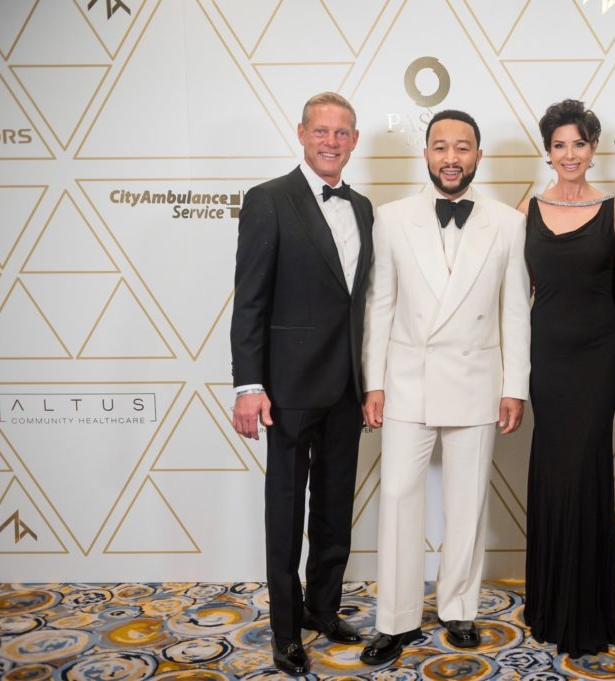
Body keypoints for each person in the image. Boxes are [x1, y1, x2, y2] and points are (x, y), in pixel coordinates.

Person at [359, 109, 531, 666]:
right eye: (440, 146)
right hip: (407, 380)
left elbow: (515, 314)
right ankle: (397, 619)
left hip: (478, 380)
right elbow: (379, 306)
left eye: (462, 147)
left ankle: (460, 608)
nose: (451, 157)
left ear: (479, 155)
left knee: (467, 503)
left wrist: (515, 386)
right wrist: (374, 382)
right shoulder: (390, 219)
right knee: (399, 498)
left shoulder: (508, 222)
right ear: (426, 153)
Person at [230, 92, 372, 676]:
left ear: (354, 140)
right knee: (285, 515)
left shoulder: (363, 206)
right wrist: (248, 384)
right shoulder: (268, 200)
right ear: (301, 133)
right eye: (321, 131)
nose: (331, 141)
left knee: (335, 508)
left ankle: (323, 608)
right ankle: (286, 632)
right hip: (285, 389)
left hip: (347, 387)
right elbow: (250, 300)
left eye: (341, 132)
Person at [523, 99, 615, 657]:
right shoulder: (528, 207)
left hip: (597, 355)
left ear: (593, 148)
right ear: (549, 150)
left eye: (579, 144)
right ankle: (547, 604)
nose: (570, 154)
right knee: (552, 465)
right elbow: (510, 291)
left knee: (586, 468)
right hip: (545, 356)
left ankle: (585, 611)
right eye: (559, 144)